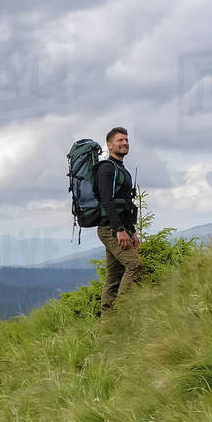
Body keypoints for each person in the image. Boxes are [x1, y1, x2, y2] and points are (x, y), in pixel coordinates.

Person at [94, 127, 141, 312]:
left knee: (113, 277)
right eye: (120, 140)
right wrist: (120, 230)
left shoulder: (122, 169)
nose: (125, 143)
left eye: (127, 140)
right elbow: (107, 201)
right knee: (134, 265)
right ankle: (122, 312)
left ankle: (108, 326)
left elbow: (127, 204)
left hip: (122, 228)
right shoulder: (106, 169)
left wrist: (132, 231)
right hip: (110, 229)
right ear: (109, 144)